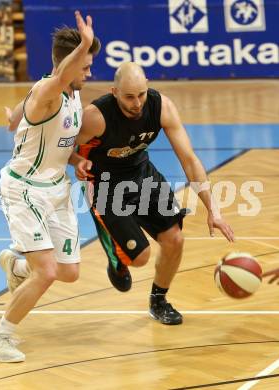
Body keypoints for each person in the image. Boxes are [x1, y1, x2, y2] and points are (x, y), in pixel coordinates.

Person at [69, 62, 234, 325]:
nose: (137, 103)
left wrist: (213, 209)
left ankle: (159, 300)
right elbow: (60, 146)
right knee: (140, 258)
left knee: (175, 240)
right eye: (129, 97)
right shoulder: (95, 117)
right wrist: (76, 160)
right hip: (104, 183)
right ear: (114, 92)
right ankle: (116, 255)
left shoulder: (161, 107)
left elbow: (189, 159)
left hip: (141, 174)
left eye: (141, 94)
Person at [0, 11, 100, 363]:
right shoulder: (49, 92)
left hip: (57, 188)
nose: (89, 72)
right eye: (85, 66)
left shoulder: (70, 92)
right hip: (25, 191)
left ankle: (16, 268)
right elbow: (46, 89)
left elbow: (49, 132)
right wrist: (82, 44)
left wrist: (75, 161)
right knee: (47, 272)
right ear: (69, 64)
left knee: (68, 272)